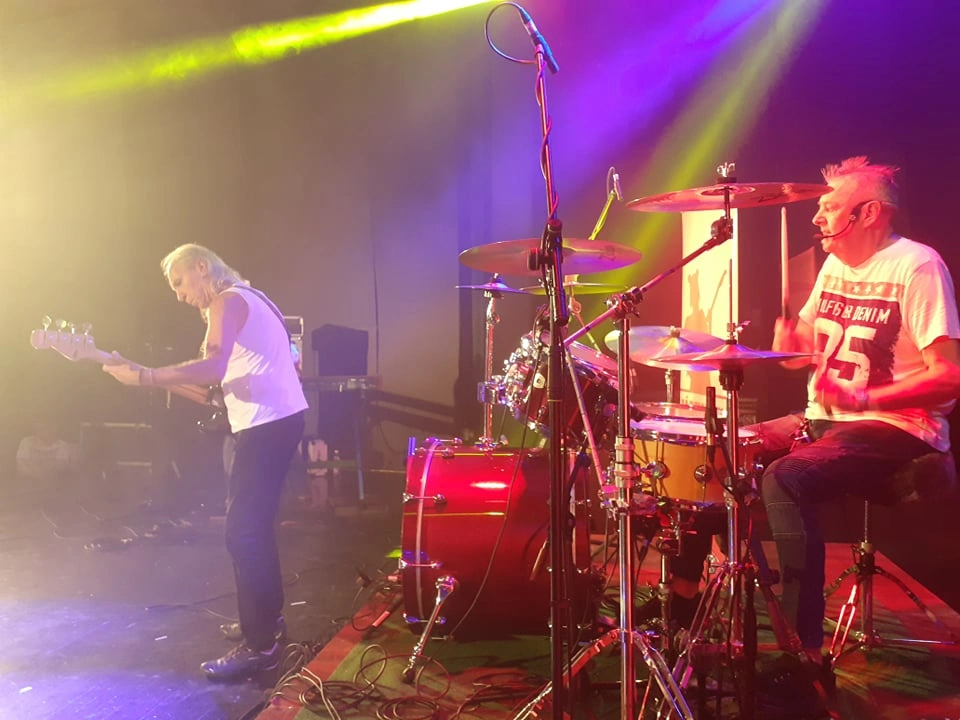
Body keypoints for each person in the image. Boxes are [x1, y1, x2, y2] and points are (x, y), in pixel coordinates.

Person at [639, 157, 960, 674]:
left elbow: (948, 376)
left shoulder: (917, 266)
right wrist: (791, 344)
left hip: (898, 427)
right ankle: (681, 608)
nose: (818, 217)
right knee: (715, 456)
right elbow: (803, 350)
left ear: (869, 213)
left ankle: (802, 651)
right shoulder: (833, 266)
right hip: (825, 419)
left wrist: (865, 399)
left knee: (787, 477)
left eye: (830, 207)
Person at [102, 244, 308, 680]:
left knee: (243, 533)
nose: (179, 295)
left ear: (201, 268)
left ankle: (261, 646)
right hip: (277, 421)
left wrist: (148, 376)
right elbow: (212, 389)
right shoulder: (249, 297)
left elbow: (213, 366)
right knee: (253, 529)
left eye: (179, 283)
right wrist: (142, 375)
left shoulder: (225, 301)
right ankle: (266, 622)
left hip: (265, 426)